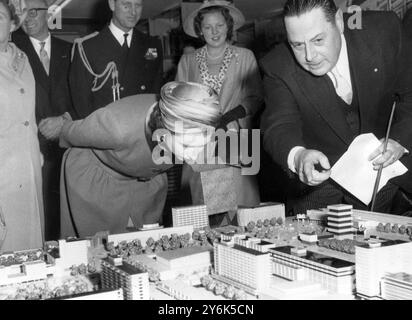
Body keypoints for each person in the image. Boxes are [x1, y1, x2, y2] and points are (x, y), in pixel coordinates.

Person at [260, 0, 412, 214]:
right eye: (297, 45)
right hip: (322, 182)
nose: (309, 56)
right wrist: (298, 155)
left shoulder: (384, 32)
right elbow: (279, 125)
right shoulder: (277, 65)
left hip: (388, 171)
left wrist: (399, 141)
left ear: (339, 22)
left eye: (318, 40)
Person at [57, 81, 222, 238]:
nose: (194, 157)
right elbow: (69, 133)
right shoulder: (116, 126)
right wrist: (60, 124)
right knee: (97, 252)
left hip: (146, 184)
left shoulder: (193, 127)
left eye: (201, 146)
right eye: (186, 146)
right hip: (98, 182)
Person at [177, 0, 263, 212]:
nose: (214, 32)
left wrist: (228, 116)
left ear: (229, 26)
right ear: (200, 30)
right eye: (207, 27)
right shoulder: (187, 61)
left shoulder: (245, 57)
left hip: (234, 138)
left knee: (238, 212)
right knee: (202, 211)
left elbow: (256, 96)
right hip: (199, 144)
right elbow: (177, 103)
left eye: (220, 25)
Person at [12, 0, 73, 241]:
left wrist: (66, 119)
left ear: (48, 13)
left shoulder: (71, 49)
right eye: (22, 13)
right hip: (29, 151)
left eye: (34, 12)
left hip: (68, 146)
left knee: (66, 219)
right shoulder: (10, 48)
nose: (27, 18)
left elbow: (82, 95)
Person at [69, 0, 163, 119]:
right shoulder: (88, 48)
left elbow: (156, 91)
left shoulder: (152, 45)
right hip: (106, 128)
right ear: (112, 5)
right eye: (126, 5)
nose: (133, 12)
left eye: (138, 5)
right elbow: (80, 99)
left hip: (141, 125)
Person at [0, 0, 43, 251]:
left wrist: (35, 153)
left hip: (27, 171)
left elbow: (29, 115)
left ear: (13, 24)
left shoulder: (22, 59)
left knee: (31, 247)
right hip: (3, 175)